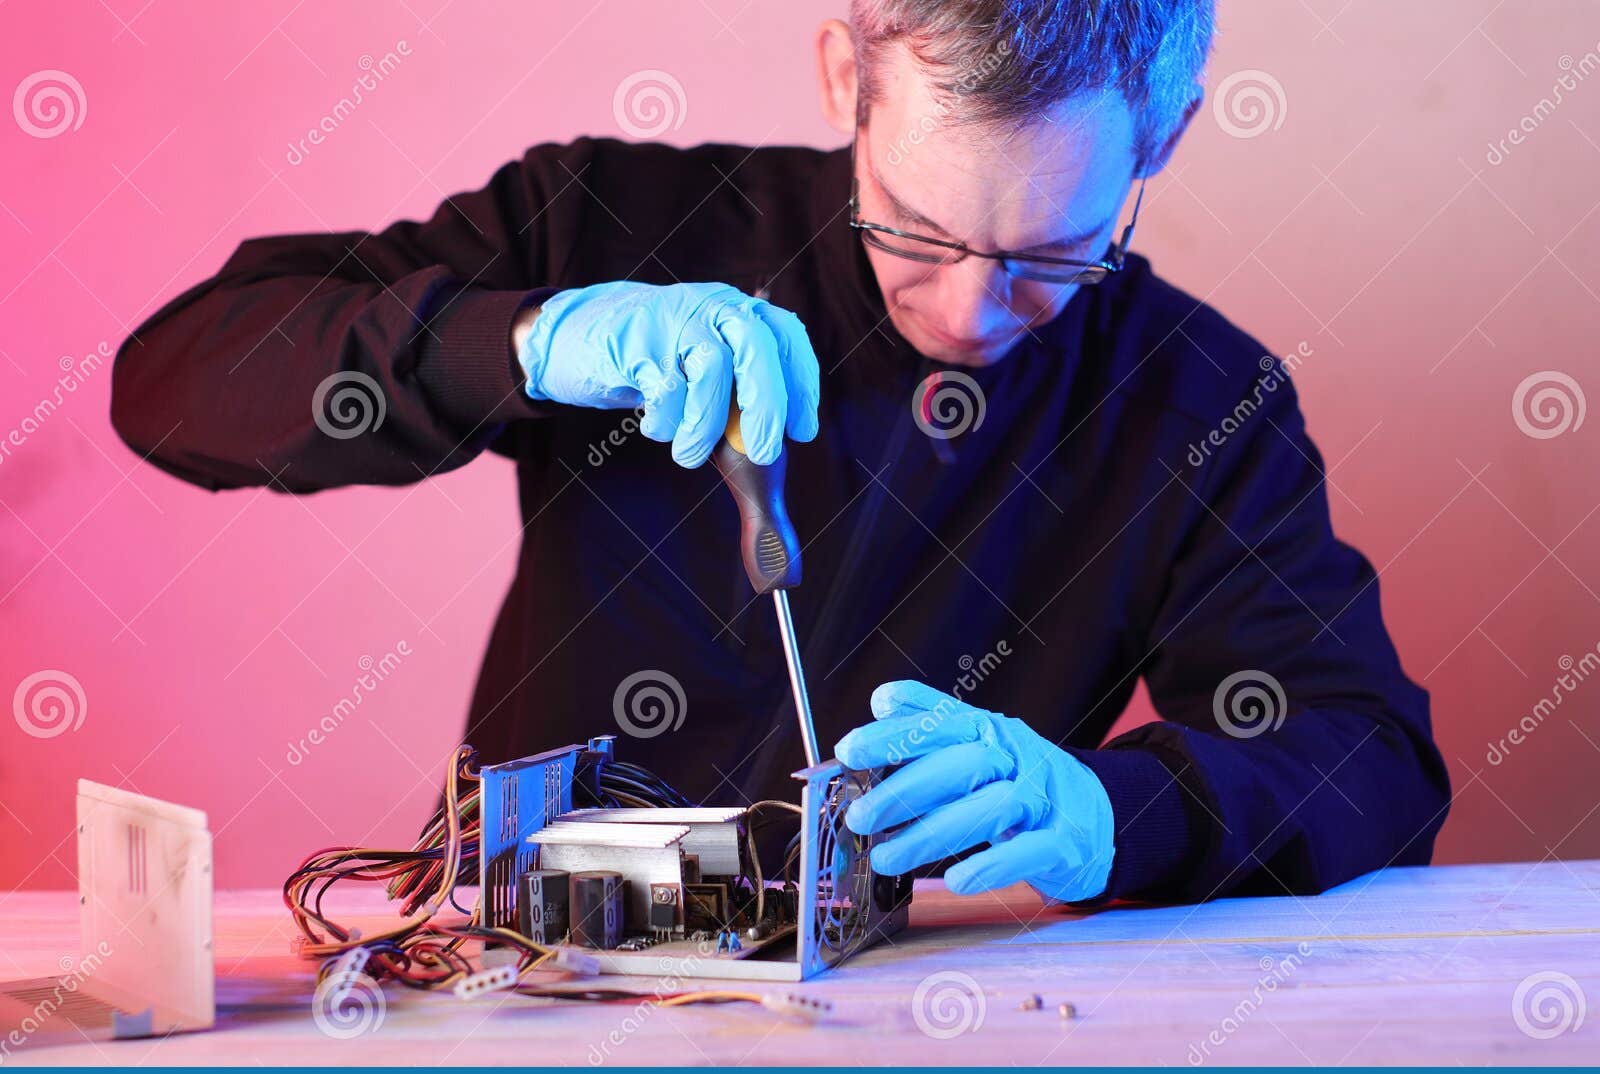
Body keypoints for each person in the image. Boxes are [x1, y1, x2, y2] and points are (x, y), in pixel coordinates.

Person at [111, 0, 1449, 907]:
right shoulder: (606, 219)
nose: (968, 312)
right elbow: (169, 383)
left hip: (914, 1040)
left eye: (1050, 258)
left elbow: (1372, 756)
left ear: (1162, 137)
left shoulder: (1198, 400)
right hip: (531, 1013)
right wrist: (522, 341)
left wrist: (1113, 809)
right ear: (840, 76)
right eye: (914, 231)